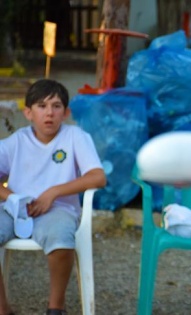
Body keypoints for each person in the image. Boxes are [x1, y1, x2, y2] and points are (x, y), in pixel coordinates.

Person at [0, 79, 106, 315]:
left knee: (60, 237)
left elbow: (98, 177)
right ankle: (3, 309)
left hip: (58, 210)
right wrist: (12, 196)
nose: (49, 113)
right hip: (14, 210)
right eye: (41, 106)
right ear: (28, 113)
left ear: (66, 113)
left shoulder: (74, 137)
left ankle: (56, 308)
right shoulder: (17, 141)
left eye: (56, 106)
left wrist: (53, 192)